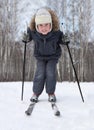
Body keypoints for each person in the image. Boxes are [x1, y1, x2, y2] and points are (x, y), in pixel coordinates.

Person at [22, 7, 70, 103]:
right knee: (40, 74)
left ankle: (51, 93)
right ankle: (36, 93)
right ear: (36, 26)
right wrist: (26, 38)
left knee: (50, 73)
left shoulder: (56, 33)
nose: (44, 28)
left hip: (53, 57)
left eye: (46, 25)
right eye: (41, 25)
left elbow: (62, 41)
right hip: (40, 57)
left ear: (51, 24)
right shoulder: (33, 32)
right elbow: (27, 39)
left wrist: (65, 40)